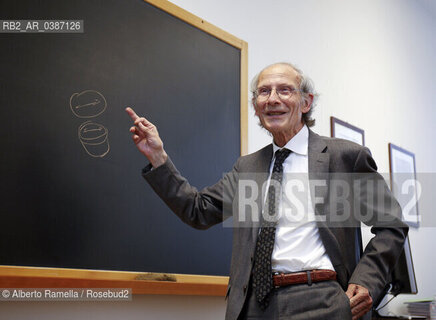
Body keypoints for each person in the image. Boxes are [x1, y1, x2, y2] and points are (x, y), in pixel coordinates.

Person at [126, 62, 408, 320]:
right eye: (263, 92)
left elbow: (391, 224)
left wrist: (367, 280)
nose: (272, 99)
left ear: (306, 102)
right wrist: (158, 158)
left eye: (284, 90)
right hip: (251, 306)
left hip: (321, 300)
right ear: (256, 105)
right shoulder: (247, 167)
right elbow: (198, 211)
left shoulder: (345, 156)